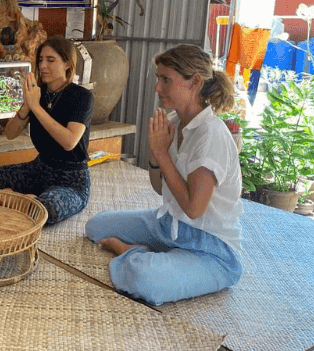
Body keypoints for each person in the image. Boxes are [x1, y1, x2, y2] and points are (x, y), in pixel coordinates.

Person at [85, 44, 242, 306]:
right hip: (171, 226)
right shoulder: (175, 124)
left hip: (212, 250)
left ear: (194, 82)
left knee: (142, 276)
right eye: (158, 78)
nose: (158, 87)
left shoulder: (211, 134)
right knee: (96, 226)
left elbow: (194, 209)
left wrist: (163, 153)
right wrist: (155, 155)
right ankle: (156, 253)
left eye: (166, 79)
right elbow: (160, 188)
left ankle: (137, 254)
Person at [0, 36, 93, 225]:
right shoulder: (37, 93)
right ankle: (21, 199)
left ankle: (15, 199)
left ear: (67, 63)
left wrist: (36, 107)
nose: (43, 66)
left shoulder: (82, 97)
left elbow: (69, 141)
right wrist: (26, 107)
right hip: (39, 169)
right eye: (40, 60)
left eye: (50, 60)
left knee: (46, 210)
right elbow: (10, 133)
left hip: (71, 179)